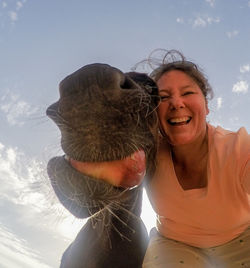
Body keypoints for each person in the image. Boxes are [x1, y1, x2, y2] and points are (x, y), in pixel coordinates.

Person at [142, 49, 250, 267]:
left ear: (207, 106)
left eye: (187, 93)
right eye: (163, 97)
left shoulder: (238, 148)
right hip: (174, 243)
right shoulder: (146, 153)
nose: (176, 103)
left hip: (242, 238)